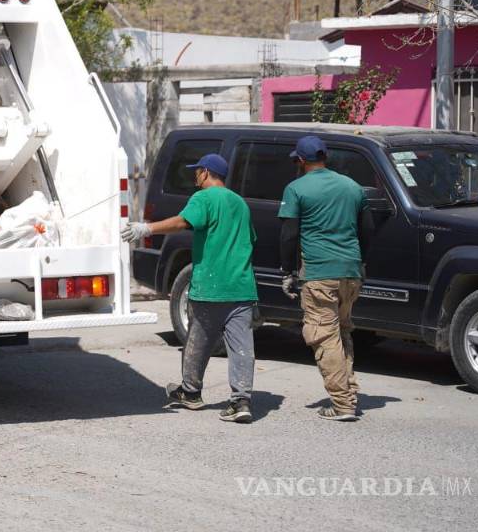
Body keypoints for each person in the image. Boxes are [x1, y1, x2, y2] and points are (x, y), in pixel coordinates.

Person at [122, 153, 258, 423]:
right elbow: (249, 239)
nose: (195, 175)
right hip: (241, 285)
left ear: (206, 173)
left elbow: (182, 222)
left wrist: (145, 229)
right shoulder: (240, 203)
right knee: (242, 346)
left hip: (211, 285)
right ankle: (241, 401)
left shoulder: (203, 199)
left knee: (198, 340)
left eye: (197, 171)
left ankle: (191, 392)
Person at [278, 135, 374, 422]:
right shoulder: (352, 186)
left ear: (302, 160)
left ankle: (343, 404)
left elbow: (289, 234)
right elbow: (367, 229)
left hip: (320, 273)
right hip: (350, 272)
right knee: (342, 332)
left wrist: (288, 270)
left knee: (323, 336)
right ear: (326, 158)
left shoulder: (296, 188)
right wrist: (360, 262)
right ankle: (349, 392)